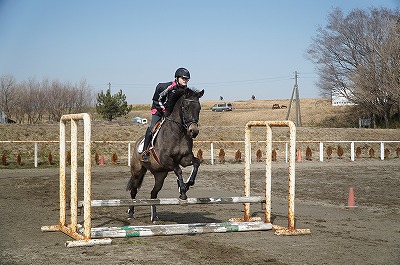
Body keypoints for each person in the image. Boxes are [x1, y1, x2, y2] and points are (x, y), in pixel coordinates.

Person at [140, 67, 191, 162]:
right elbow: (157, 100)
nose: (185, 80)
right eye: (183, 78)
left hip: (171, 113)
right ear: (177, 78)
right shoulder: (166, 87)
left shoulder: (185, 90)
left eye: (187, 79)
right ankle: (145, 152)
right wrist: (164, 111)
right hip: (158, 110)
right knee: (152, 128)